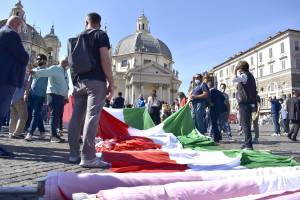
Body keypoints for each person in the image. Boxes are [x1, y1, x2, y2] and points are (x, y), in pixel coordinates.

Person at [68, 12, 113, 168]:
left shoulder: (76, 37)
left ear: (85, 22)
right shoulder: (101, 35)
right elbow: (105, 60)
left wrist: (74, 83)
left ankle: (73, 155)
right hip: (96, 80)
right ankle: (88, 157)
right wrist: (111, 82)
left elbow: (71, 63)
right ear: (99, 23)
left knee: (76, 118)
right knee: (92, 117)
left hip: (79, 82)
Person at [0, 16, 29, 158]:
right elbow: (23, 56)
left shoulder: (2, 31)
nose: (21, 29)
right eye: (21, 26)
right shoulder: (11, 34)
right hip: (6, 78)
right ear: (17, 24)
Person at [29, 58, 69, 143]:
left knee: (57, 115)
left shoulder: (65, 71)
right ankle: (53, 136)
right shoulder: (55, 68)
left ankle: (54, 134)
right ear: (61, 61)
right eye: (65, 61)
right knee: (54, 115)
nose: (66, 63)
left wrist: (66, 96)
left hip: (61, 96)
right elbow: (46, 72)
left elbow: (66, 84)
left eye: (67, 61)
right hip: (53, 94)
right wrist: (35, 72)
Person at [233, 61, 257, 150]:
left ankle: (248, 145)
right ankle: (247, 142)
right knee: (246, 123)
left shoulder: (244, 76)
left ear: (240, 68)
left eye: (238, 67)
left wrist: (235, 70)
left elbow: (234, 80)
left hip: (244, 103)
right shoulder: (250, 76)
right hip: (249, 102)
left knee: (245, 124)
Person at [24, 54, 48, 141]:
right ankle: (42, 132)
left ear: (44, 61)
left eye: (39, 59)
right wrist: (26, 93)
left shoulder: (47, 71)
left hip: (40, 96)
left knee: (35, 114)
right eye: (37, 59)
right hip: (31, 95)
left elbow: (49, 84)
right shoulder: (33, 70)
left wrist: (46, 96)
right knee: (36, 114)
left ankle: (30, 133)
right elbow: (29, 82)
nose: (37, 60)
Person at [8, 73, 29, 139]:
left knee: (13, 116)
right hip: (18, 97)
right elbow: (26, 85)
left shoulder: (11, 73)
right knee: (24, 116)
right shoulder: (22, 73)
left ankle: (11, 132)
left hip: (11, 97)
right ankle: (17, 133)